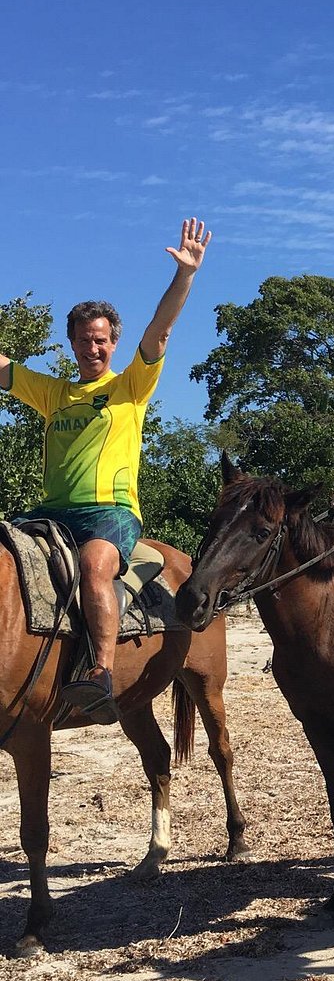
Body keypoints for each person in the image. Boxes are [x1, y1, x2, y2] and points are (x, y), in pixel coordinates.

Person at [0, 218, 212, 724]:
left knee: (96, 566)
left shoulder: (130, 388)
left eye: (100, 340)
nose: (92, 348)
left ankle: (99, 674)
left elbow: (160, 331)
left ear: (113, 343)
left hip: (109, 513)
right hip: (48, 513)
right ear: (71, 343)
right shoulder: (51, 393)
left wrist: (184, 276)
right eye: (82, 340)